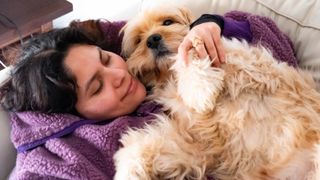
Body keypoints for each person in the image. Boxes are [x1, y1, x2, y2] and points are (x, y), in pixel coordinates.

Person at [0, 11, 297, 179]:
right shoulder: (72, 149)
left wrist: (209, 25)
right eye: (97, 87)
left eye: (105, 58)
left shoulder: (125, 57)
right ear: (74, 114)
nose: (118, 75)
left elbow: (256, 32)